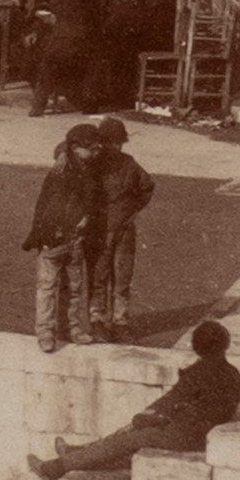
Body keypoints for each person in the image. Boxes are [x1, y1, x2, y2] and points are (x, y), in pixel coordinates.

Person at [30, 320, 240, 480]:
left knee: (124, 440)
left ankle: (55, 468)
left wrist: (138, 420)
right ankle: (76, 453)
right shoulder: (234, 375)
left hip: (184, 434)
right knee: (126, 443)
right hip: (199, 432)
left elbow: (169, 402)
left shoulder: (198, 374)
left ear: (198, 347)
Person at [21, 125, 101, 351]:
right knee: (48, 287)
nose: (96, 153)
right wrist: (49, 235)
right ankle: (45, 332)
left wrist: (86, 217)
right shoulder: (61, 174)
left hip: (74, 238)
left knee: (74, 287)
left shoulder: (84, 167)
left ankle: (70, 328)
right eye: (91, 149)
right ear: (75, 148)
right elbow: (48, 207)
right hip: (54, 238)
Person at [81, 115, 154, 338]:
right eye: (110, 142)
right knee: (98, 275)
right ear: (101, 142)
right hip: (99, 230)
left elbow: (147, 187)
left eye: (119, 143)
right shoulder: (92, 165)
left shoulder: (130, 164)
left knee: (123, 277)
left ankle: (120, 321)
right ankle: (97, 320)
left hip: (124, 230)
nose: (115, 147)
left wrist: (132, 211)